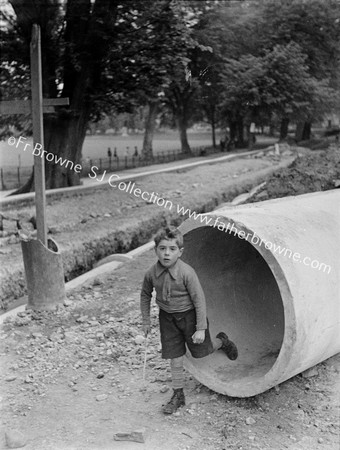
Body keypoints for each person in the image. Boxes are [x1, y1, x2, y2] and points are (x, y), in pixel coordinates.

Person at [140, 226, 238, 415]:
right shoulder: (151, 273)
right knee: (175, 357)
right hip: (167, 319)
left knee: (202, 351)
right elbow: (145, 294)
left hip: (190, 317)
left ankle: (222, 341)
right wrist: (146, 321)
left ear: (180, 252)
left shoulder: (187, 273)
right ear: (155, 250)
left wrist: (200, 328)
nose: (166, 253)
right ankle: (178, 395)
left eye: (172, 249)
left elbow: (199, 300)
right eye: (162, 248)